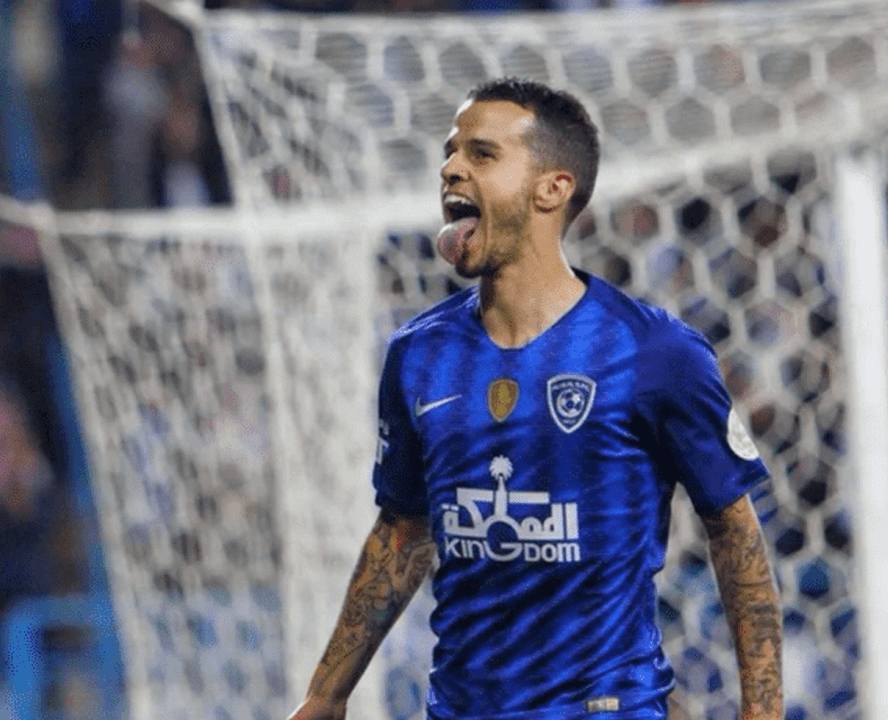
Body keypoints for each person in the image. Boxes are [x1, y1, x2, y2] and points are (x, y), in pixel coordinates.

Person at [287, 78, 782, 720]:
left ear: (553, 188)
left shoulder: (655, 352)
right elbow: (403, 530)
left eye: (482, 154)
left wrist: (763, 713)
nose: (450, 168)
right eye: (451, 152)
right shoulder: (418, 354)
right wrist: (326, 694)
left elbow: (734, 531)